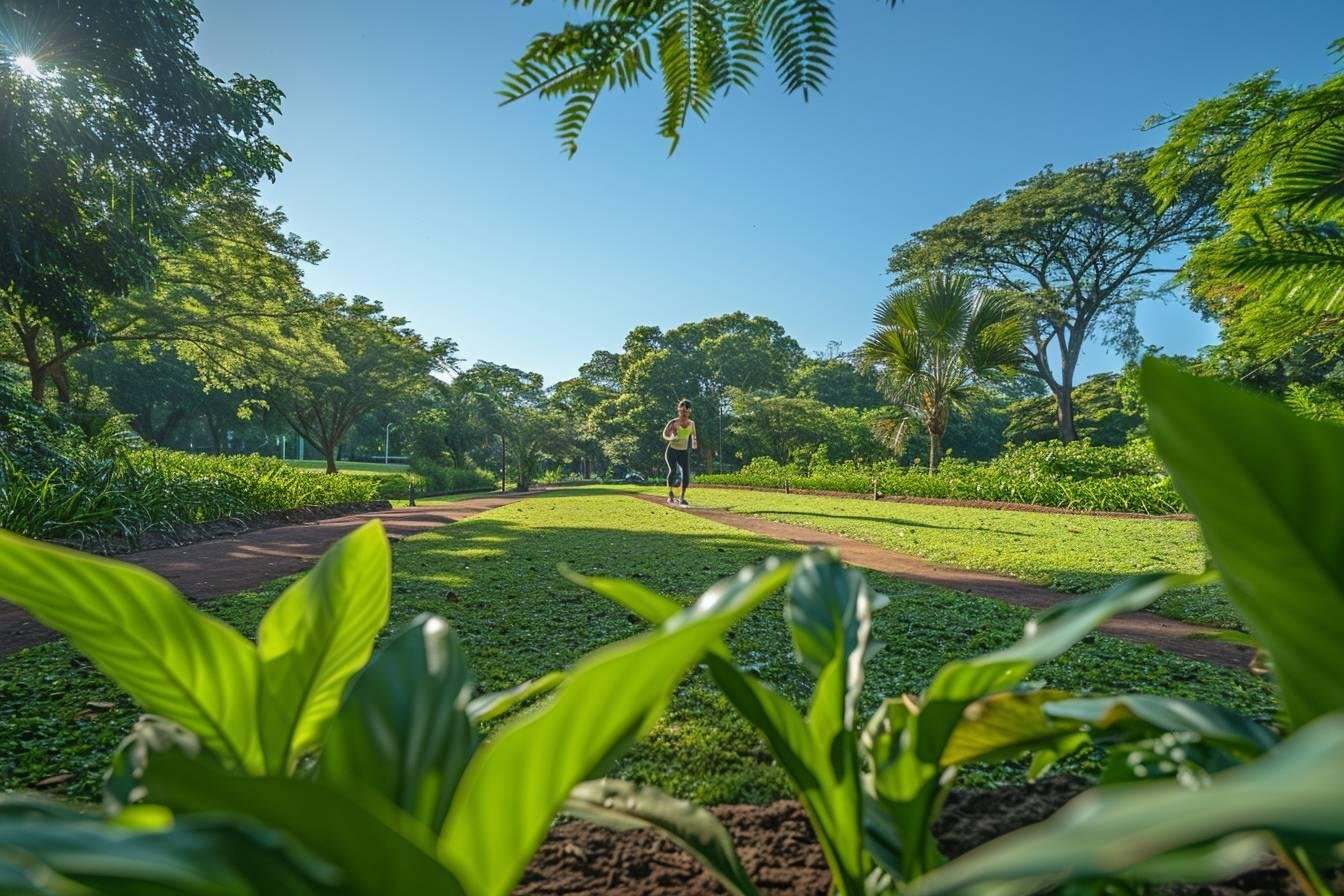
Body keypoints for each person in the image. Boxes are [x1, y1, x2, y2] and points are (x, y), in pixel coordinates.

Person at [662, 399, 697, 506]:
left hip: (683, 452)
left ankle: (682, 498)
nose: (684, 413)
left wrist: (694, 444)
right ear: (678, 410)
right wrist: (671, 438)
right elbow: (664, 434)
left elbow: (694, 435)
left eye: (686, 411)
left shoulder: (691, 423)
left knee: (685, 474)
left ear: (689, 411)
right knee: (672, 471)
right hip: (672, 450)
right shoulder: (673, 422)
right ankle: (670, 495)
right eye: (682, 411)